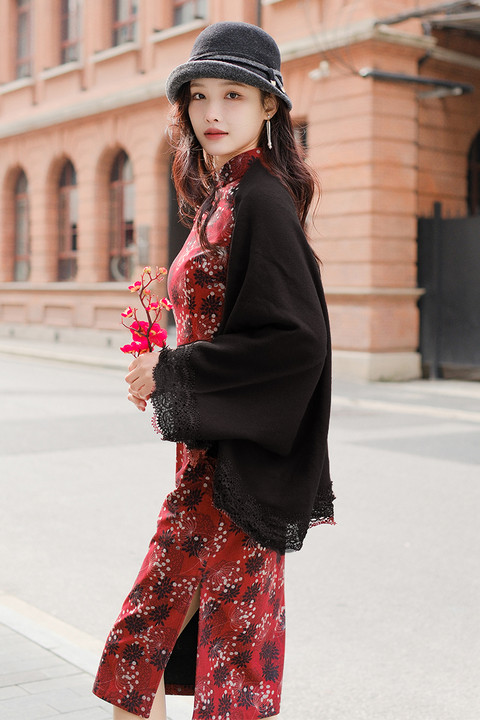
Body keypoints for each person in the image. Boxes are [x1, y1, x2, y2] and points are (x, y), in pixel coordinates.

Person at [93, 21, 335, 720]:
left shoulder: (261, 198)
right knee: (175, 656)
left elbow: (295, 341)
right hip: (206, 462)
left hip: (233, 478)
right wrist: (160, 355)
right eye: (199, 95)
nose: (212, 112)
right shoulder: (224, 196)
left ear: (268, 106)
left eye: (234, 95)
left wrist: (174, 370)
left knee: (171, 655)